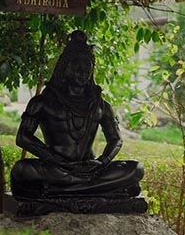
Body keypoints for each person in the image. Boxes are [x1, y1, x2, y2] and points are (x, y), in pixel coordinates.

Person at [10, 30, 143, 199]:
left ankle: (63, 190)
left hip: (90, 168)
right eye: (77, 67)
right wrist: (55, 159)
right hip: (56, 167)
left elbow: (116, 139)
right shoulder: (43, 102)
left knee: (136, 168)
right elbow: (23, 137)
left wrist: (102, 161)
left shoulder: (100, 105)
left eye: (87, 67)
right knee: (21, 169)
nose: (83, 72)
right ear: (64, 67)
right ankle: (93, 188)